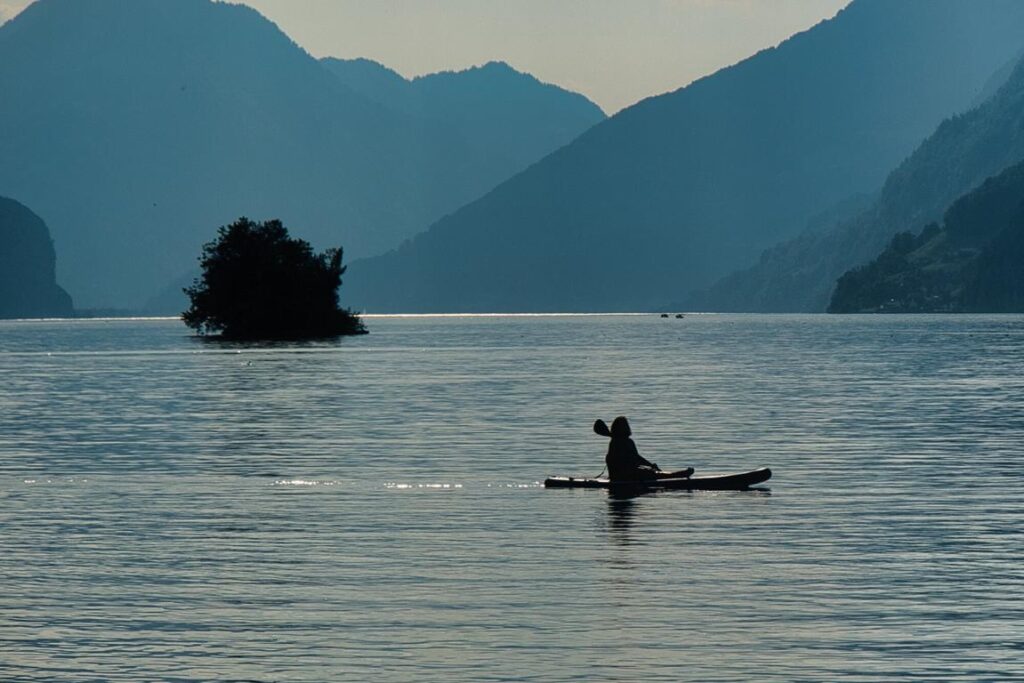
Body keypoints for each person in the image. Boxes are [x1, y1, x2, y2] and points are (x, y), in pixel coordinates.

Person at [601, 416, 693, 481]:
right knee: (653, 474)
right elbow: (633, 459)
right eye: (624, 425)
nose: (627, 427)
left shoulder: (623, 441)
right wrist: (649, 466)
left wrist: (650, 465)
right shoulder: (618, 442)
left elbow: (637, 458)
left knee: (652, 472)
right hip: (624, 477)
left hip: (626, 474)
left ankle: (679, 474)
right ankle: (680, 475)